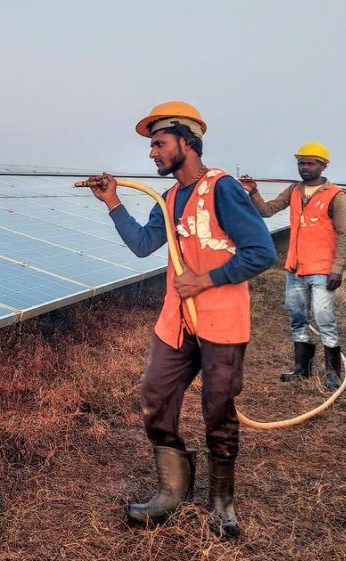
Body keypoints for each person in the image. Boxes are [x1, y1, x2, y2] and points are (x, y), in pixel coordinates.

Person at [82, 101, 277, 538]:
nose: (152, 153)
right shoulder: (168, 198)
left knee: (218, 408)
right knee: (155, 396)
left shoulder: (222, 189)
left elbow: (262, 253)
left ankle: (222, 503)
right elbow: (142, 245)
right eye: (152, 146)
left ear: (186, 143)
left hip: (221, 321)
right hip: (177, 321)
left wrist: (205, 279)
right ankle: (173, 491)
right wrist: (112, 202)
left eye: (159, 143)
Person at [239, 142, 346, 391]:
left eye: (310, 163)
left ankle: (333, 374)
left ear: (323, 166)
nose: (305, 167)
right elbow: (267, 211)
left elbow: (344, 235)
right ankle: (302, 369)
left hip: (322, 269)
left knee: (324, 319)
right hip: (295, 269)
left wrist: (337, 268)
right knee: (297, 318)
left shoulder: (335, 195)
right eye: (301, 163)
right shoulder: (294, 190)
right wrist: (253, 192)